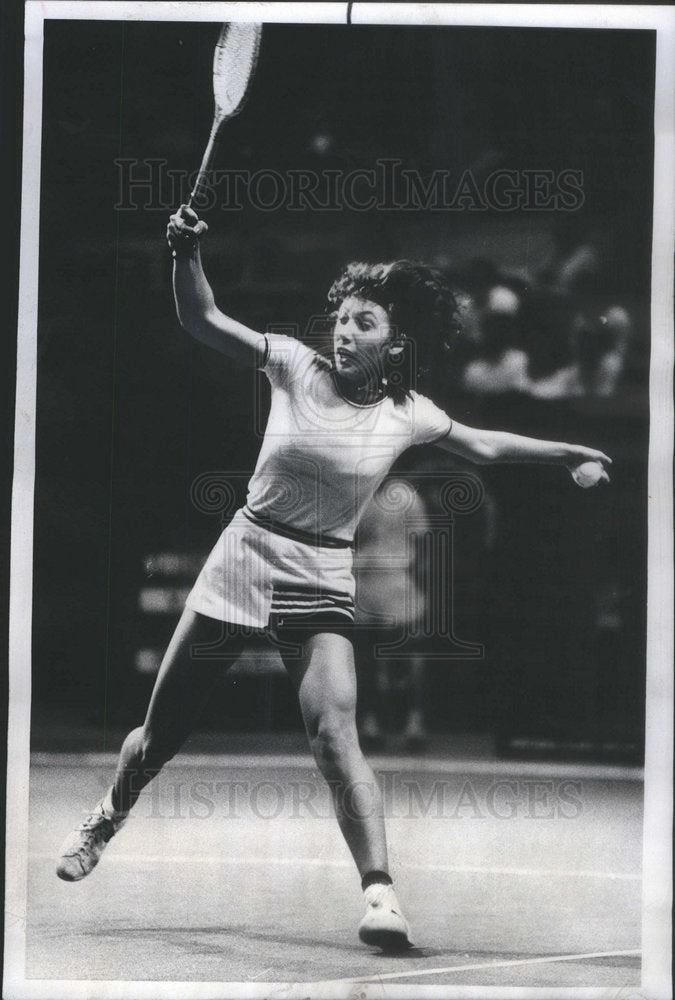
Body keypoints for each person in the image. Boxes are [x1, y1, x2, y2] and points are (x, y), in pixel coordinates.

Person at [56, 205, 612, 952]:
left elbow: (483, 444)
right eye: (341, 318)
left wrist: (566, 449)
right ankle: (108, 816)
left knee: (334, 733)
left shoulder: (407, 414)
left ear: (396, 343)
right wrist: (185, 253)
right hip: (246, 552)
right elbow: (203, 319)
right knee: (160, 737)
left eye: (365, 323)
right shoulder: (292, 365)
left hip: (319, 572)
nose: (344, 332)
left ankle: (380, 894)